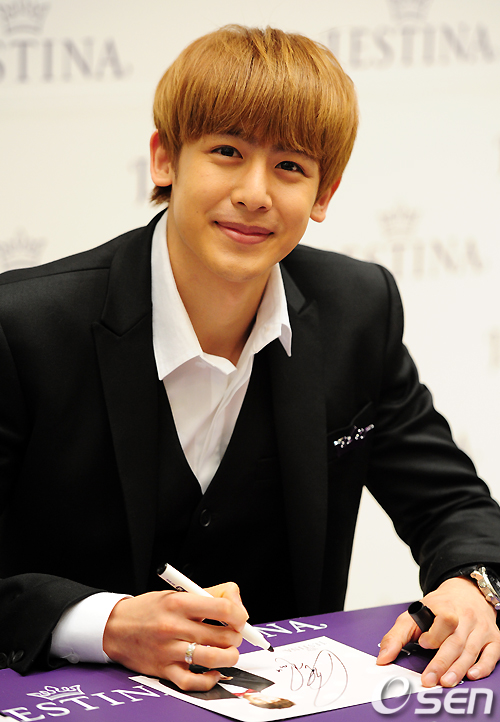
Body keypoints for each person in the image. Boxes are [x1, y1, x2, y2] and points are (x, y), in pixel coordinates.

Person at [1, 25, 500, 694]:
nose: (255, 192)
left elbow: (450, 503)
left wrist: (472, 586)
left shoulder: (358, 310)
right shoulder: (23, 327)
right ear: (164, 160)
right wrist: (103, 623)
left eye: (290, 166)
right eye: (227, 152)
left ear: (324, 194)